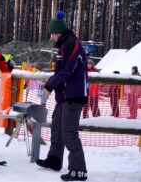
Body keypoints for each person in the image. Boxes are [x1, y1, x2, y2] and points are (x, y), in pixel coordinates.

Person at [35, 11, 88, 181]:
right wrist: (51, 82)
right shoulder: (64, 45)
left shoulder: (72, 43)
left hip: (74, 95)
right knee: (57, 128)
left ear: (58, 32)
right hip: (64, 95)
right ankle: (54, 160)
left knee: (69, 132)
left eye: (52, 34)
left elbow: (67, 71)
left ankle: (78, 170)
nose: (52, 37)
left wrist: (50, 86)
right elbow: (60, 71)